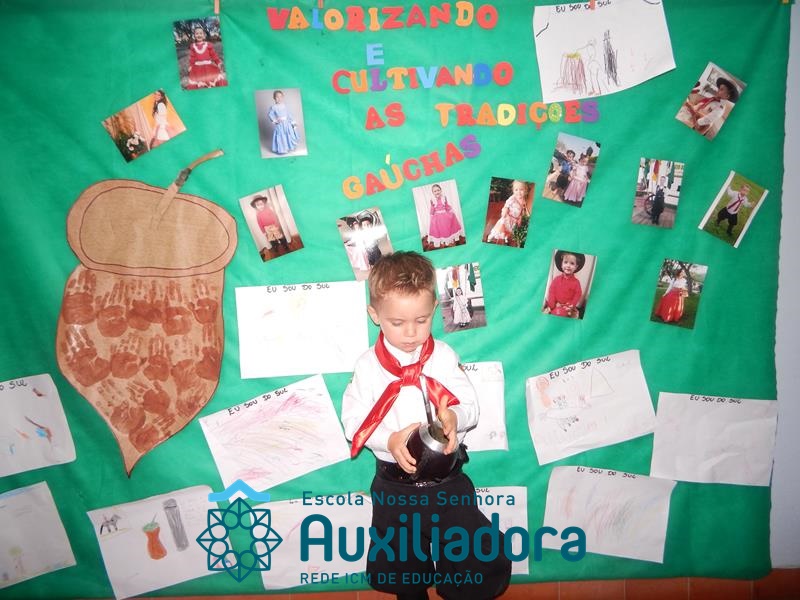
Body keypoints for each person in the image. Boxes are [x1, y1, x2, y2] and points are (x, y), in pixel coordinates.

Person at [341, 251, 511, 600]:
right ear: (375, 315)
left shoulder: (443, 357)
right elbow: (353, 421)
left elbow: (470, 405)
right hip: (395, 487)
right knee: (403, 566)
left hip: (447, 482)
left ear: (434, 308)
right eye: (397, 322)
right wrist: (389, 440)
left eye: (421, 320)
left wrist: (454, 417)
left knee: (472, 557)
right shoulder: (367, 367)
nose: (410, 333)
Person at [486, 180, 530, 244]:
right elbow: (506, 205)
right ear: (513, 191)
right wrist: (505, 209)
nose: (518, 192)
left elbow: (522, 209)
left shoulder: (523, 199)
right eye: (516, 190)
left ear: (525, 190)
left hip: (514, 220)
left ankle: (506, 237)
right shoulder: (512, 198)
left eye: (521, 190)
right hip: (508, 217)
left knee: (509, 230)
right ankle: (490, 236)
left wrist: (520, 217)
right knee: (500, 229)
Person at [544, 250, 585, 319]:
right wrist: (552, 304)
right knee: (552, 312)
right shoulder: (556, 279)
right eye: (565, 262)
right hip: (556, 304)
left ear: (576, 267)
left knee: (560, 313)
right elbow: (551, 291)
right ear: (561, 265)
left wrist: (571, 305)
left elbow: (578, 294)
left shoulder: (576, 282)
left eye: (572, 263)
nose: (568, 266)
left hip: (567, 306)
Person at [267, 90, 299, 155]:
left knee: (288, 135)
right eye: (277, 97)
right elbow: (270, 114)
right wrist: (275, 120)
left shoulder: (285, 106)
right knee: (281, 136)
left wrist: (293, 122)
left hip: (287, 124)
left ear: (283, 97)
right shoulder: (273, 107)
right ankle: (282, 149)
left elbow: (289, 114)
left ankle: (288, 147)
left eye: (280, 97)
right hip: (280, 125)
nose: (279, 98)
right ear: (274, 98)